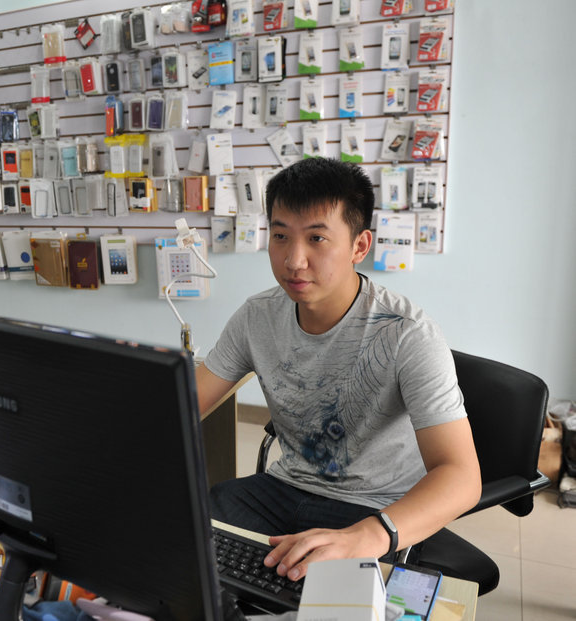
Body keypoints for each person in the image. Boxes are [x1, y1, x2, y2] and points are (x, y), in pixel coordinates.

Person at [196, 158, 481, 582]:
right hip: (282, 488)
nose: (294, 260)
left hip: (375, 507)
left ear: (359, 246)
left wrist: (370, 534)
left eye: (317, 238)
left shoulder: (407, 333)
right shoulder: (256, 317)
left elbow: (461, 476)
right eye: (280, 236)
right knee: (182, 557)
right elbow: (181, 407)